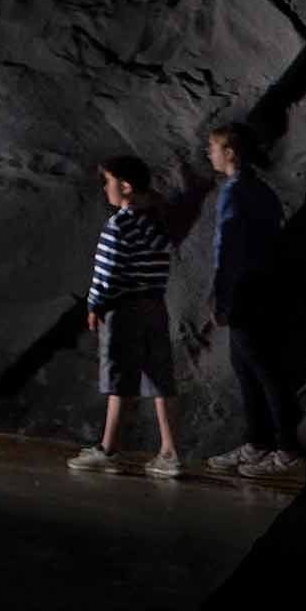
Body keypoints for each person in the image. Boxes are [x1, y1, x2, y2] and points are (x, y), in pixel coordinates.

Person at [201, 121, 306, 478]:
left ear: (230, 153)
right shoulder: (261, 190)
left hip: (245, 289)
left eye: (213, 147)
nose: (208, 153)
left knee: (263, 370)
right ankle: (257, 442)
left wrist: (219, 293)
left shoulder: (234, 192)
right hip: (265, 286)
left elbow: (227, 248)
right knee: (246, 367)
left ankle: (288, 450)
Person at [68, 154, 181, 477]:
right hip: (155, 307)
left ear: (126, 187)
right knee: (161, 379)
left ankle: (108, 449)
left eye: (108, 182)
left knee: (118, 380)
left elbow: (107, 273)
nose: (105, 188)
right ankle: (169, 453)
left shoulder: (119, 224)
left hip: (123, 309)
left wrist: (94, 305)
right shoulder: (158, 224)